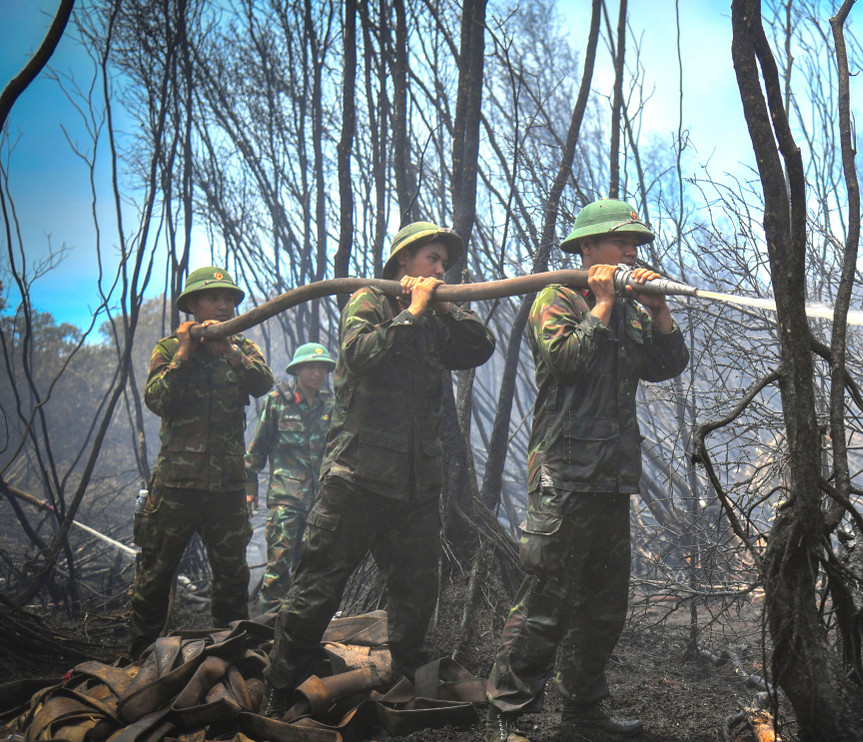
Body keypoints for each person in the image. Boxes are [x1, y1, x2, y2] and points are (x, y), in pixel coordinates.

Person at [261, 222, 496, 716]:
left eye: (443, 263)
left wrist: (442, 303)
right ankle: (282, 687)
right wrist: (411, 310)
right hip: (357, 479)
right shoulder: (368, 301)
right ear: (403, 263)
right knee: (319, 583)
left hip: (413, 486)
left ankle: (407, 680)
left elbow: (479, 346)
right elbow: (360, 353)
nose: (439, 269)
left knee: (417, 588)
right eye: (431, 259)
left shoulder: (436, 317)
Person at [485, 199, 689, 742]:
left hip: (612, 478)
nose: (632, 252)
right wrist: (600, 304)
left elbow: (666, 366)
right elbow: (566, 361)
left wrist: (659, 308)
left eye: (636, 245)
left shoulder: (629, 308)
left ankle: (583, 713)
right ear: (587, 248)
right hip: (563, 479)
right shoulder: (557, 299)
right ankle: (509, 717)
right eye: (621, 243)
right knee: (544, 606)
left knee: (604, 609)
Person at [132, 266, 275, 658]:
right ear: (192, 305)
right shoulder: (167, 350)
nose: (225, 305)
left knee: (232, 578)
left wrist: (227, 351)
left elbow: (263, 383)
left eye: (229, 298)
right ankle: (141, 655)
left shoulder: (242, 348)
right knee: (156, 575)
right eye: (214, 298)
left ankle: (230, 655)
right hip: (175, 486)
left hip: (227, 488)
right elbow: (159, 400)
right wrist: (184, 353)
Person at [244, 342, 337, 617]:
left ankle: (303, 632)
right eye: (311, 366)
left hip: (320, 503)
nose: (317, 373)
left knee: (312, 572)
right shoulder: (276, 402)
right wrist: (250, 489)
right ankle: (267, 634)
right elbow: (257, 449)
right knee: (277, 569)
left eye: (322, 368)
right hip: (285, 500)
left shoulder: (331, 406)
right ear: (297, 370)